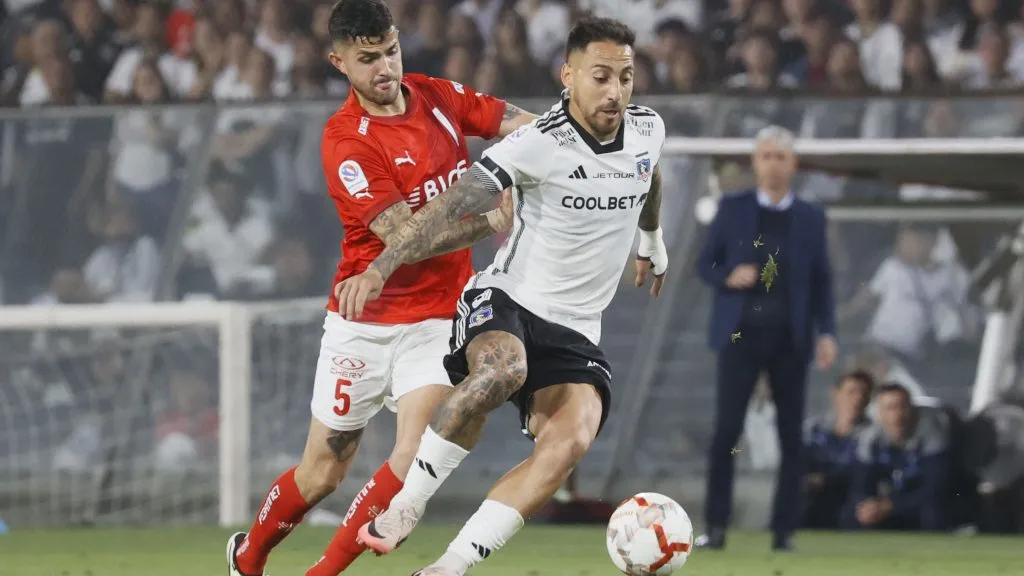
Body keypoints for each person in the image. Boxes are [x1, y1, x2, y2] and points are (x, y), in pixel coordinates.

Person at [337, 17, 669, 576]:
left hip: (579, 326)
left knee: (571, 441)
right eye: (601, 76)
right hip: (508, 299)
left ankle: (451, 565)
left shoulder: (647, 129)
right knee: (502, 372)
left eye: (626, 77)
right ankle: (407, 504)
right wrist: (380, 267)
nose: (615, 91)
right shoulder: (536, 144)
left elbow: (650, 176)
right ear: (570, 76)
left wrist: (652, 241)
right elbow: (448, 208)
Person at [224, 1, 536, 575]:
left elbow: (521, 124)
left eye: (390, 50)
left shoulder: (438, 96)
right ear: (338, 61)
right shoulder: (347, 142)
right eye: (367, 59)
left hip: (441, 316)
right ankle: (250, 555)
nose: (385, 67)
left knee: (414, 453)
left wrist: (573, 135)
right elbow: (407, 237)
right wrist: (493, 220)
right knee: (322, 471)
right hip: (363, 320)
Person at [696, 125, 837, 551]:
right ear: (755, 163)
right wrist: (729, 276)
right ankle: (716, 527)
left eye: (781, 156)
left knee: (792, 437)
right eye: (766, 156)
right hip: (740, 333)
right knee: (726, 433)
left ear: (793, 164)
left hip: (790, 336)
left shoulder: (811, 217)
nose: (773, 164)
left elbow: (822, 280)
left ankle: (784, 532)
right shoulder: (733, 208)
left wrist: (826, 330)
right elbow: (705, 265)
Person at [842, 383, 951, 531]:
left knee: (932, 511)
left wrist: (892, 505)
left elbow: (935, 486)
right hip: (886, 503)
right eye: (890, 408)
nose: (897, 415)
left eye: (902, 407)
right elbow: (861, 482)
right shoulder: (869, 438)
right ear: (880, 413)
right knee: (854, 512)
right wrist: (868, 505)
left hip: (915, 501)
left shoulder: (930, 434)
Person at [802, 370, 874, 529]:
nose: (857, 399)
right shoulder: (813, 429)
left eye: (863, 393)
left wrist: (827, 478)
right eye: (851, 392)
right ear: (836, 395)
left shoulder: (873, 434)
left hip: (850, 498)